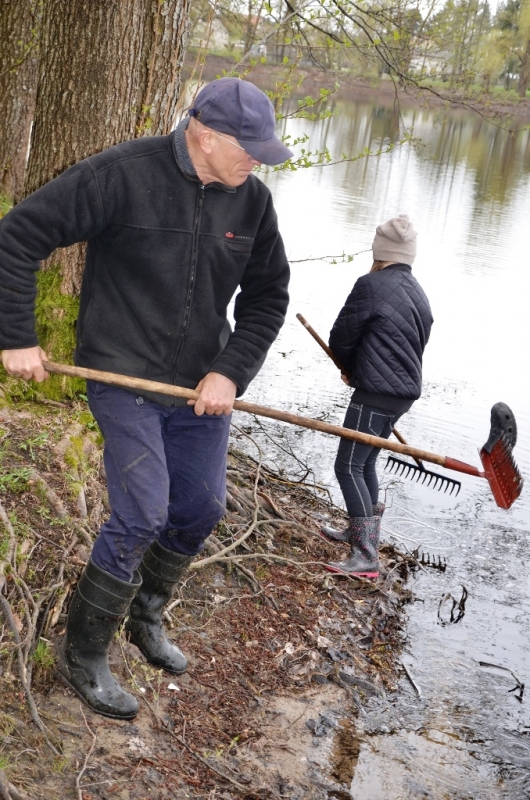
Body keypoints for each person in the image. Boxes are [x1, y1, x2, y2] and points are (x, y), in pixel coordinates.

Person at [0, 77, 292, 719]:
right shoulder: (120, 175)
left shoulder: (253, 205)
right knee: (142, 513)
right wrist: (16, 335)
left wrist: (230, 372)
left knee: (201, 507)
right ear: (205, 134)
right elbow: (19, 235)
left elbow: (269, 297)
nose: (259, 162)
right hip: (123, 376)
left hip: (199, 387)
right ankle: (83, 655)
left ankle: (145, 614)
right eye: (250, 148)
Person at [320, 215, 433, 578]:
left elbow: (342, 335)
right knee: (365, 462)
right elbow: (419, 339)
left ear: (379, 251)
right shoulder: (419, 292)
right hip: (402, 396)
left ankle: (366, 555)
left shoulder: (370, 284)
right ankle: (359, 531)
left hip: (376, 393)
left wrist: (350, 368)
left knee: (347, 465)